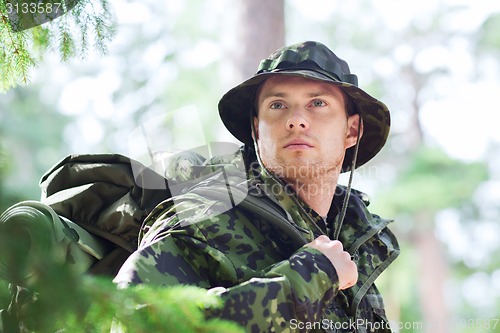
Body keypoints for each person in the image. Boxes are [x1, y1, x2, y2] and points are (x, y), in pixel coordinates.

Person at [114, 41, 400, 332]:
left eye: (318, 103)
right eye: (278, 105)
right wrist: (310, 277)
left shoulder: (356, 244)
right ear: (256, 130)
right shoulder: (204, 219)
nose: (297, 120)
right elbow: (136, 321)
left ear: (351, 130)